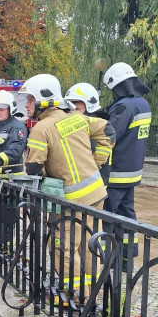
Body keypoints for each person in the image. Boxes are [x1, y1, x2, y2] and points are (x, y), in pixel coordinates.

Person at [16, 74, 113, 299]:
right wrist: (97, 162)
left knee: (63, 248)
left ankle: (76, 297)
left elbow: (32, 170)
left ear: (42, 98)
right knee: (87, 243)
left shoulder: (41, 128)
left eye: (30, 99)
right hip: (96, 193)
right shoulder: (77, 118)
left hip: (72, 200)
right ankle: (91, 296)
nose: (27, 105)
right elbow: (108, 131)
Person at [102, 63, 153, 258]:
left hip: (115, 172)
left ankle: (105, 259)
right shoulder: (143, 103)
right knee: (127, 215)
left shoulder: (124, 105)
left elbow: (110, 135)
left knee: (106, 215)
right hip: (133, 172)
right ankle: (127, 257)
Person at [65, 82, 116, 184]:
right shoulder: (88, 122)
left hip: (93, 182)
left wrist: (92, 168)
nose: (72, 108)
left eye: (76, 103)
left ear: (88, 103)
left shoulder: (95, 126)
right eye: (70, 103)